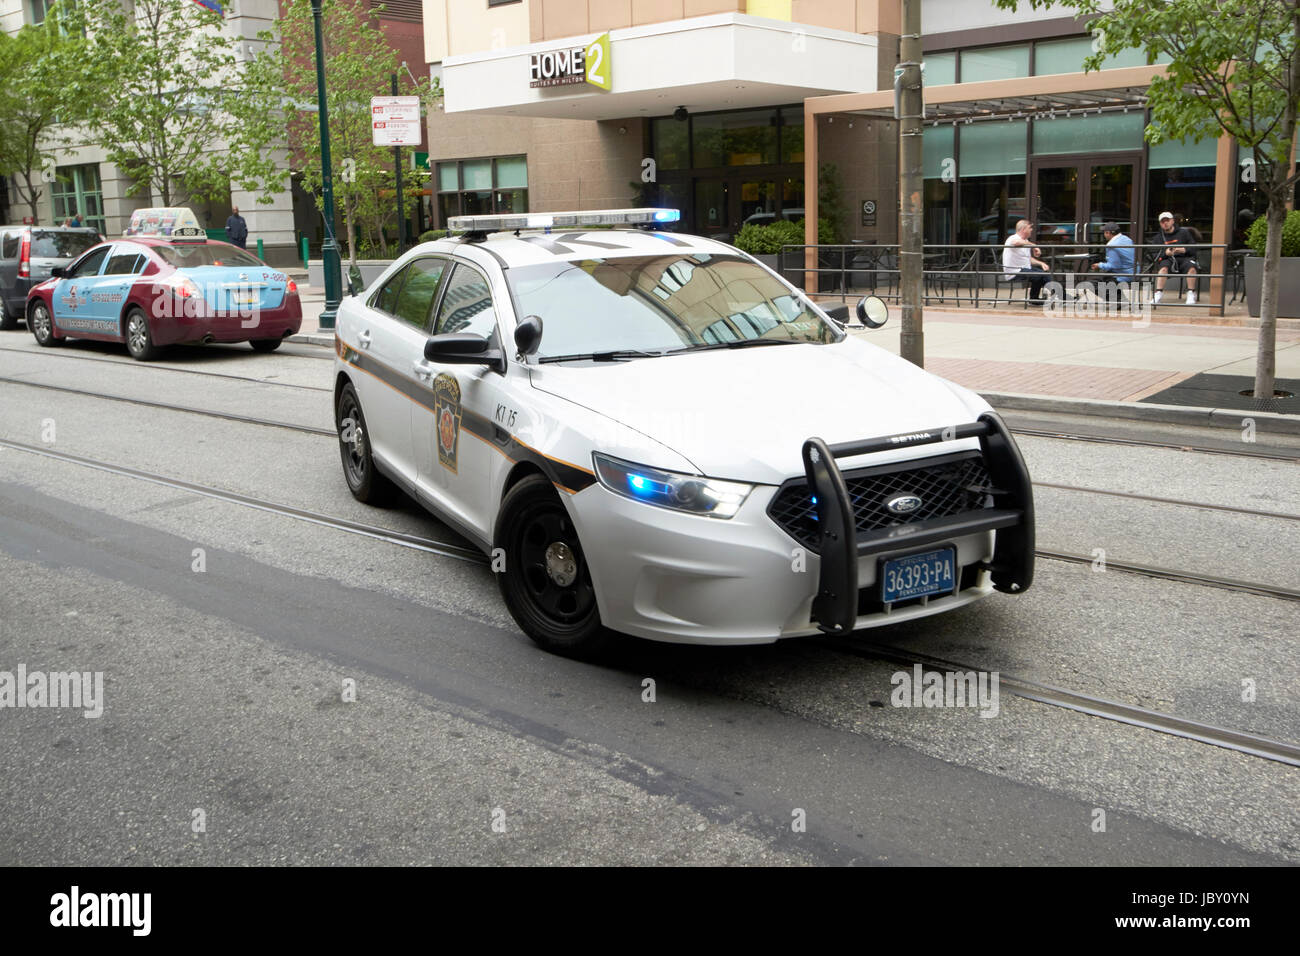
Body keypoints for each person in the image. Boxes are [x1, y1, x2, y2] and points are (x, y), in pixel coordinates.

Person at [1152, 211, 1199, 304]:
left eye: (1167, 220)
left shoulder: (1184, 232)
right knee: (1163, 269)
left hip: (1185, 258)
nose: (1165, 223)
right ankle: (1158, 293)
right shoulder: (1158, 237)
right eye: (1162, 221)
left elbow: (1194, 248)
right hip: (1168, 259)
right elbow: (1154, 254)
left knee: (1192, 268)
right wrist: (1166, 253)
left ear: (1172, 221)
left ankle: (1191, 292)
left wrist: (1184, 250)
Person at [1002, 219, 1054, 301]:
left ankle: (1034, 299)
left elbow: (1028, 259)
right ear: (1023, 229)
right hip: (1014, 272)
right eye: (1030, 228)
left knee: (1043, 275)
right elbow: (1016, 243)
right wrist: (1033, 245)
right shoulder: (1012, 238)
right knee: (1041, 276)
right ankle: (1061, 296)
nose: (1032, 230)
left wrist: (1041, 263)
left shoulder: (1025, 241)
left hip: (1024, 269)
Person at [1090, 221, 1136, 299]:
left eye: (1104, 232)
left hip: (1123, 274)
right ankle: (1118, 297)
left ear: (1108, 233)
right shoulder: (1127, 239)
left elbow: (1114, 266)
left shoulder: (1111, 245)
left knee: (1091, 284)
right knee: (1103, 278)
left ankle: (1118, 300)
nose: (1104, 234)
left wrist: (1099, 265)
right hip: (1134, 271)